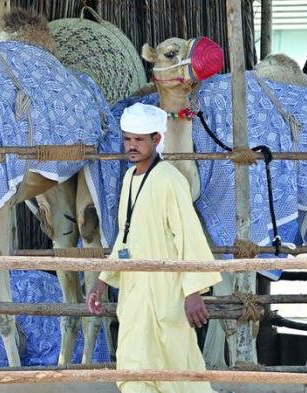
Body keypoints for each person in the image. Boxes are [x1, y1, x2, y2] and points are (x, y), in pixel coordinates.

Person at [87, 102, 222, 393]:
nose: (131, 145)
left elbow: (188, 237)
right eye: (127, 139)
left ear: (156, 140)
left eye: (139, 139)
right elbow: (125, 238)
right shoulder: (128, 180)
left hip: (166, 296)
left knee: (176, 373)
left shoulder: (170, 180)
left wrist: (193, 292)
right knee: (133, 372)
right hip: (134, 297)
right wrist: (101, 281)